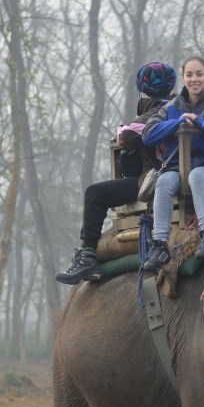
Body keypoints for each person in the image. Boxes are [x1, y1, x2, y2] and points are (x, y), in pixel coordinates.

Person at [55, 62, 176, 285]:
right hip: (164, 176)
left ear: (143, 89)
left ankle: (88, 253)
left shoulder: (161, 108)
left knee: (94, 194)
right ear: (172, 85)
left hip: (155, 179)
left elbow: (128, 135)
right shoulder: (174, 106)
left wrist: (122, 131)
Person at [141, 55, 204, 271]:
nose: (194, 79)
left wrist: (201, 123)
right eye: (189, 75)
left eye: (199, 74)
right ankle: (159, 243)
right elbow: (148, 134)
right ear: (183, 78)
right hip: (178, 171)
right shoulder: (172, 107)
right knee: (165, 180)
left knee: (198, 175)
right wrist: (177, 122)